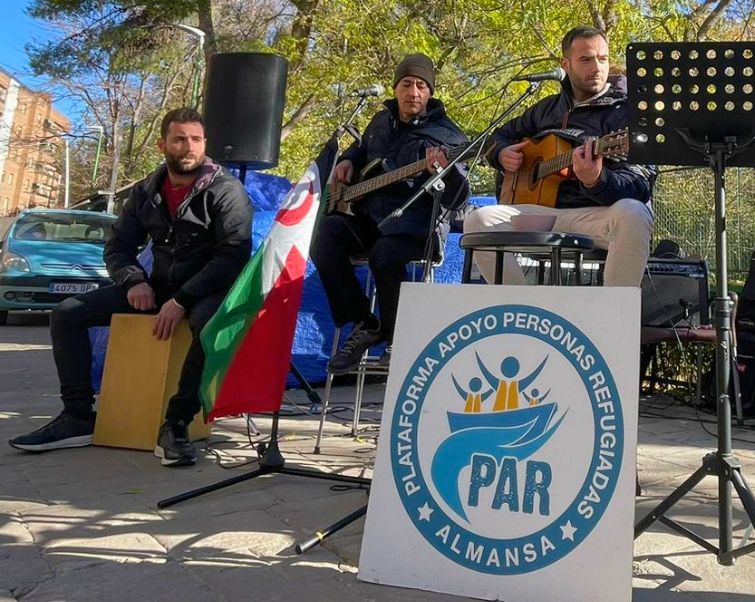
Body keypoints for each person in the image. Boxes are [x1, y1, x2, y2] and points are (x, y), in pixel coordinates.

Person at [9, 107, 254, 465]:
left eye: (196, 139)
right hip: (158, 287)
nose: (189, 147)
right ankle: (78, 417)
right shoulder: (146, 191)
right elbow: (118, 247)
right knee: (67, 314)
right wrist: (134, 281)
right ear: (162, 145)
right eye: (180, 139)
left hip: (206, 291)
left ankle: (176, 425)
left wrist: (183, 300)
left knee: (207, 324)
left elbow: (233, 255)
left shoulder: (226, 191)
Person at [312, 53, 470, 373]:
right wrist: (348, 160)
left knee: (384, 255)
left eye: (422, 86)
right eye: (407, 84)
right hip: (372, 219)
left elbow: (459, 199)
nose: (414, 92)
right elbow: (363, 149)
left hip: (415, 228)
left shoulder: (449, 136)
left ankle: (396, 336)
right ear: (396, 88)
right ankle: (364, 323)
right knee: (322, 234)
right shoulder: (380, 122)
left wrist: (447, 172)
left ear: (430, 93)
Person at [463, 26, 655, 287]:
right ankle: (523, 309)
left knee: (634, 212)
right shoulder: (546, 110)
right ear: (565, 64)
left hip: (595, 215)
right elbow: (498, 136)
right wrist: (500, 154)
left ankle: (614, 314)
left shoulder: (626, 113)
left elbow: (641, 185)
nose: (597, 67)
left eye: (602, 58)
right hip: (542, 214)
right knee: (478, 220)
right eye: (586, 59)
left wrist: (597, 180)